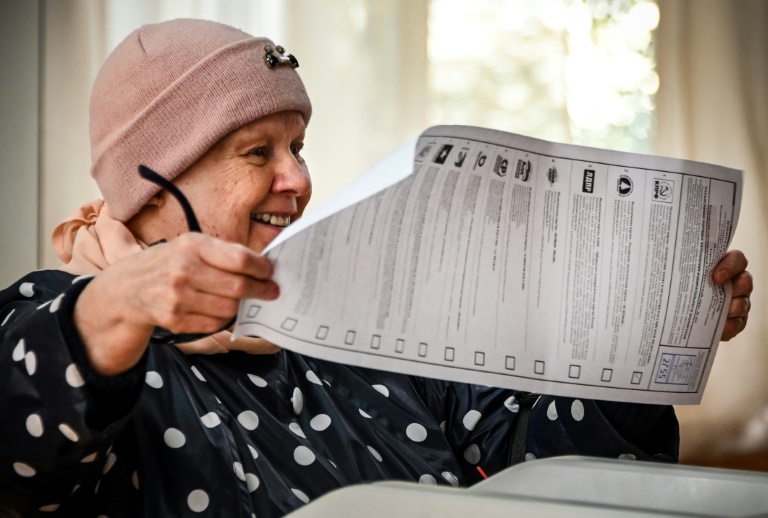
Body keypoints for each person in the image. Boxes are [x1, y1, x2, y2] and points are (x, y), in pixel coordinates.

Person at [0, 19, 753, 517]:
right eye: (258, 152)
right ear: (154, 184)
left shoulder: (369, 308)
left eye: (299, 148)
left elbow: (547, 468)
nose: (297, 180)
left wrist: (641, 329)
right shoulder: (62, 319)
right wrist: (111, 309)